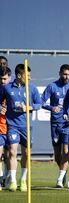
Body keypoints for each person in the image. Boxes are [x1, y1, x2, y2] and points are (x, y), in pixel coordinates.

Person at [0, 64, 42, 192]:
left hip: (27, 126)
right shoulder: (7, 88)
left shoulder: (32, 88)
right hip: (12, 125)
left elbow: (39, 104)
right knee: (12, 151)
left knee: (26, 154)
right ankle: (12, 181)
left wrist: (28, 107)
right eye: (27, 75)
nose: (29, 78)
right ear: (19, 75)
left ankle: (22, 180)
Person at [41, 64, 69, 188]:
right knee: (57, 154)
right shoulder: (52, 86)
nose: (67, 77)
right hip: (55, 123)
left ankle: (60, 178)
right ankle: (63, 172)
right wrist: (51, 107)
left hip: (67, 124)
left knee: (66, 150)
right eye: (65, 74)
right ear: (60, 73)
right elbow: (41, 102)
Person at [0, 67, 11, 191]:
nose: (3, 81)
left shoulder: (13, 89)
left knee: (10, 154)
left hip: (11, 126)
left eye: (5, 79)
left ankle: (7, 178)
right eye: (1, 79)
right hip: (0, 126)